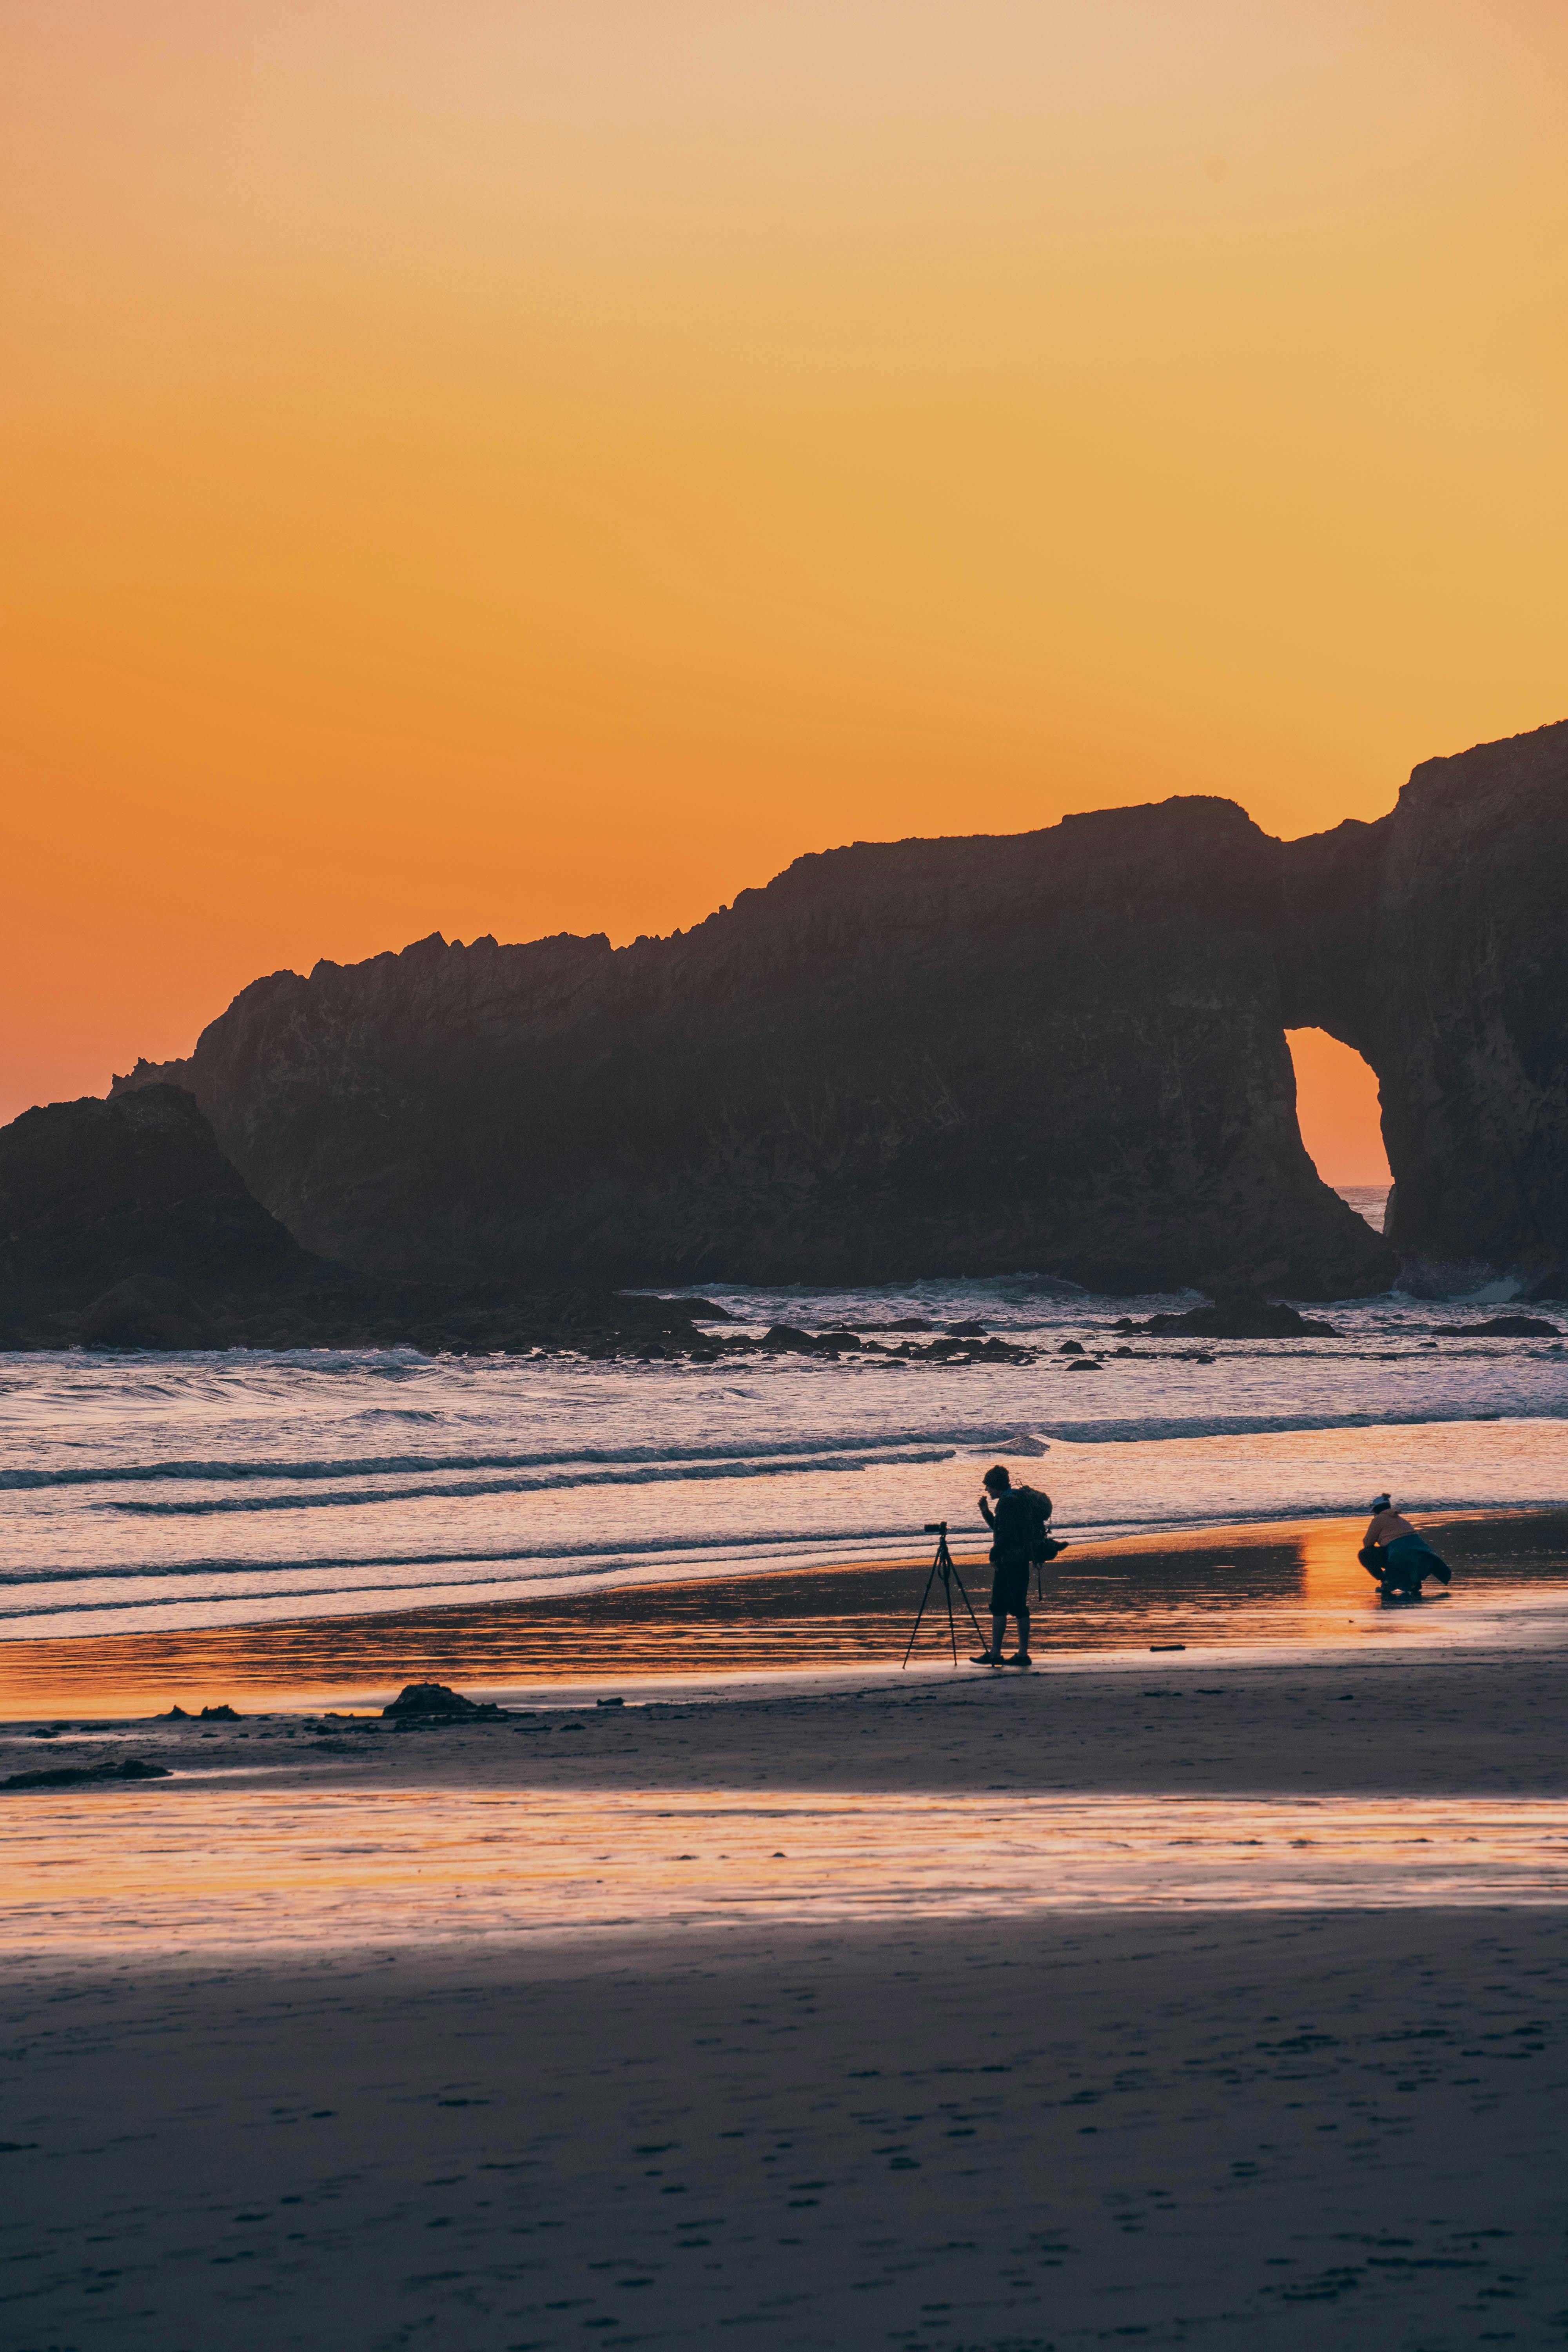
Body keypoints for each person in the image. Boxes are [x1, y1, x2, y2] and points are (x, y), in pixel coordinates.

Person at [972, 1465, 1038, 1666]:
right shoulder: (1015, 1499)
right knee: (1019, 1606)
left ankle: (995, 1654)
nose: (987, 1491)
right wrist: (986, 1512)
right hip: (1021, 1560)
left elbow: (1005, 1535)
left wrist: (994, 1555)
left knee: (999, 1606)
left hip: (1009, 1562)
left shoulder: (1007, 1503)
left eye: (989, 1487)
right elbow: (1000, 1529)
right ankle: (1022, 1654)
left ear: (996, 1485)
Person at [1360, 1493, 1453, 1599]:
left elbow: (1368, 1543)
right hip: (1422, 1556)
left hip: (1400, 1555)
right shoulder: (1401, 1520)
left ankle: (1386, 1581)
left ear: (1376, 1510)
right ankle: (1414, 1582)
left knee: (1364, 1554)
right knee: (1404, 1554)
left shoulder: (1379, 1519)